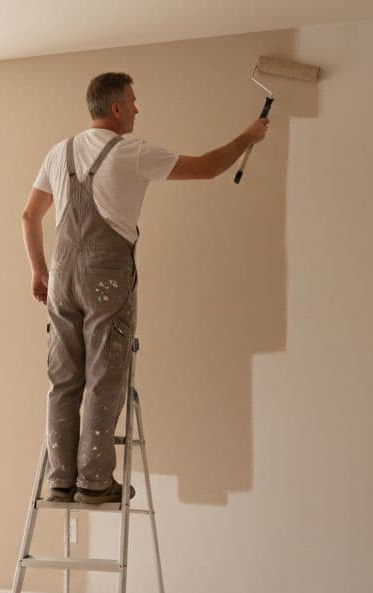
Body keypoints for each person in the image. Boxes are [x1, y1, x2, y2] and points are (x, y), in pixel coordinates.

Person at [21, 72, 269, 504]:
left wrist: (38, 272)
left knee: (63, 379)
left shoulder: (58, 153)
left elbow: (29, 216)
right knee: (103, 377)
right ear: (115, 108)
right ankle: (95, 482)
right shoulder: (131, 152)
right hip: (106, 277)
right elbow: (209, 168)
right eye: (133, 101)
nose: (137, 108)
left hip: (61, 277)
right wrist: (247, 136)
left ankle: (61, 480)